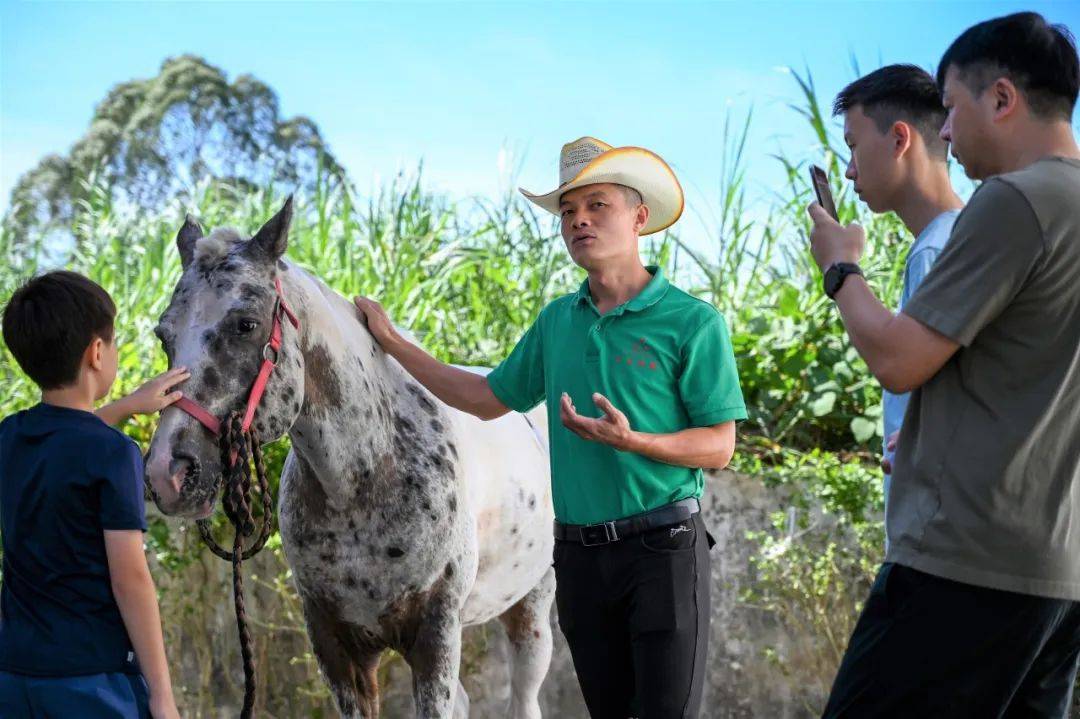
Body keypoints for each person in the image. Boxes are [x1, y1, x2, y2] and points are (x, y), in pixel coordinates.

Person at [353, 137, 746, 718]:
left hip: (664, 552)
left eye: (597, 205)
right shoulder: (558, 320)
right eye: (567, 211)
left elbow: (719, 447)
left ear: (639, 217)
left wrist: (632, 441)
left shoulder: (692, 322)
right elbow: (485, 398)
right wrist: (392, 345)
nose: (578, 221)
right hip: (579, 558)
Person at [809, 12, 1080, 717]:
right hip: (1058, 569)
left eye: (953, 108)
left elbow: (898, 360)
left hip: (966, 558)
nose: (948, 131)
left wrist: (841, 267)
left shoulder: (1017, 199)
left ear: (1002, 98)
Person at [0, 270, 189, 719]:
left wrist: (124, 406)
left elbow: (62, 446)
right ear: (97, 352)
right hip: (93, 684)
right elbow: (131, 580)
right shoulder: (113, 453)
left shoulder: (10, 437)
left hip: (14, 676)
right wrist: (162, 697)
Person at [830, 63, 964, 521]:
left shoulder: (939, 247)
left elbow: (896, 363)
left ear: (899, 139)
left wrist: (839, 265)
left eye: (853, 147)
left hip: (938, 532)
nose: (848, 172)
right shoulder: (962, 237)